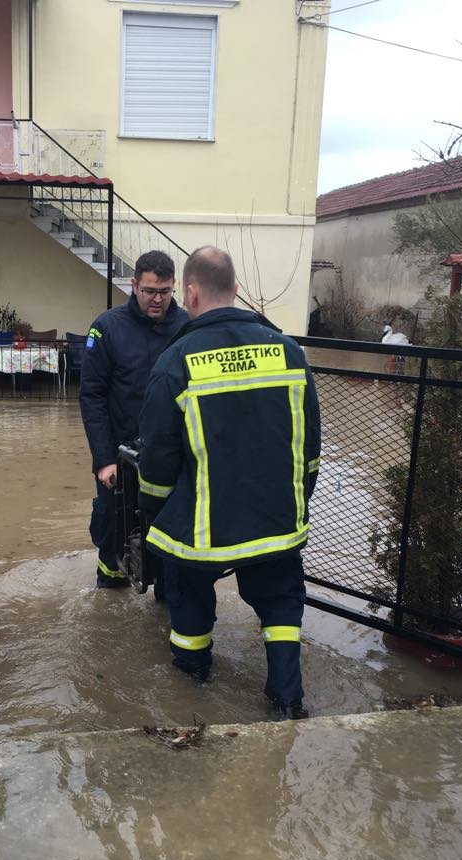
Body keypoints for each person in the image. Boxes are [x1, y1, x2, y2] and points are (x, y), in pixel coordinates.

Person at [137, 247, 321, 719]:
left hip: (205, 527)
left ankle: (192, 688)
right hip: (277, 518)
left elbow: (157, 461)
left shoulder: (176, 361)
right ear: (236, 290)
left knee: (188, 592)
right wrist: (295, 503)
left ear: (190, 293)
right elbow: (310, 448)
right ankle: (286, 702)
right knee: (281, 604)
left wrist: (155, 519)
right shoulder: (289, 352)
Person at [80, 250, 189, 589]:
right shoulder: (107, 327)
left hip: (170, 456)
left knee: (171, 536)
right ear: (134, 285)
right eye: (150, 291)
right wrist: (104, 459)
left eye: (165, 292)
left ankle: (166, 594)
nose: (158, 300)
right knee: (115, 529)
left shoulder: (187, 327)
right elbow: (92, 396)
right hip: (119, 456)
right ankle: (110, 586)